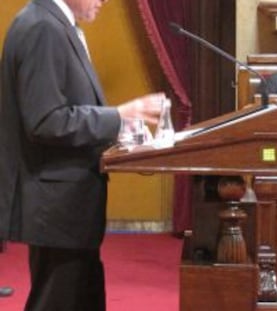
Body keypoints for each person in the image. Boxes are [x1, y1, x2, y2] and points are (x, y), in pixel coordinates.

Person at [0, 0, 164, 310]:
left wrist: (118, 128)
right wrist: (118, 116)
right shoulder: (43, 28)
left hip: (68, 203)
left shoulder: (54, 24)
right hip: (57, 203)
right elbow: (45, 120)